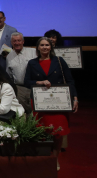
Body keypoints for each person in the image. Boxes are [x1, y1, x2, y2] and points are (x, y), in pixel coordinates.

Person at [24, 37, 79, 171]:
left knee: (58, 132)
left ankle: (54, 159)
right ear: (37, 48)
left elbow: (70, 81)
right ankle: (42, 158)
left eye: (47, 45)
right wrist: (40, 82)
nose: (44, 47)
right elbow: (27, 82)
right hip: (40, 102)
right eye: (42, 45)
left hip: (59, 103)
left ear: (51, 47)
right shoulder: (32, 63)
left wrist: (75, 98)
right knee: (40, 131)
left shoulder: (59, 61)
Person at [6, 32, 36, 114]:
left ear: (23, 41)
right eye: (14, 41)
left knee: (35, 111)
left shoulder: (33, 52)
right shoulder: (9, 57)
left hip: (34, 87)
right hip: (19, 89)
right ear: (11, 43)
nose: (17, 43)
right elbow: (9, 74)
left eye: (19, 40)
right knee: (23, 112)